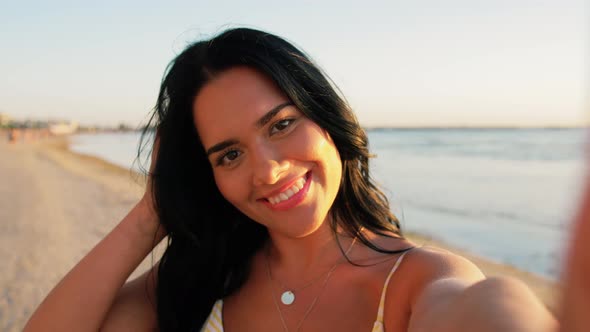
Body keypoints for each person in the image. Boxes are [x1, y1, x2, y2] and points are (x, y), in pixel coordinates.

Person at [24, 27, 561, 332]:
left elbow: (491, 310)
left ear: (326, 118)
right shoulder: (199, 283)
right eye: (228, 154)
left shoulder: (414, 285)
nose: (267, 169)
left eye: (282, 125)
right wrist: (149, 216)